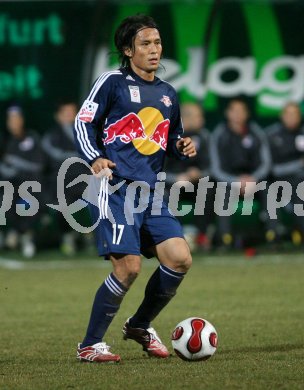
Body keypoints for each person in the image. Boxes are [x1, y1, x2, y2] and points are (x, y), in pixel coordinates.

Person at [73, 14, 197, 363]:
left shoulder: (167, 94)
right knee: (127, 267)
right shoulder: (112, 81)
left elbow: (168, 139)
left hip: (150, 192)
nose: (154, 49)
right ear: (128, 50)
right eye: (145, 43)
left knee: (179, 258)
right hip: (115, 188)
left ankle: (140, 324)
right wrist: (95, 157)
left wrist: (181, 146)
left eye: (157, 42)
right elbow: (84, 122)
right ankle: (90, 345)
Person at [210, 98, 271, 249]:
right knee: (222, 192)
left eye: (241, 111)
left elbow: (266, 163)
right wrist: (237, 181)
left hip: (255, 180)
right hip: (229, 181)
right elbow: (215, 168)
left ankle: (273, 237)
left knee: (270, 190)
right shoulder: (219, 134)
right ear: (227, 113)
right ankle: (225, 239)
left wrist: (253, 179)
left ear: (247, 114)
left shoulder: (256, 132)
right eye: (234, 111)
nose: (238, 115)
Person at [42, 101, 90, 255]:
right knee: (60, 204)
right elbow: (54, 156)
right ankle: (68, 236)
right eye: (66, 112)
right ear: (58, 116)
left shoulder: (87, 133)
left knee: (102, 201)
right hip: (62, 181)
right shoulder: (51, 136)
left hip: (85, 179)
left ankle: (91, 236)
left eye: (72, 112)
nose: (70, 115)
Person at [165, 102, 213, 250]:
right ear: (186, 118)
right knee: (164, 194)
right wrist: (176, 178)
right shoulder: (168, 136)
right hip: (172, 183)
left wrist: (199, 174)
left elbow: (212, 167)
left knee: (209, 189)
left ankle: (202, 237)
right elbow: (156, 170)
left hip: (197, 183)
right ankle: (175, 238)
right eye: (199, 117)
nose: (202, 120)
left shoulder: (205, 136)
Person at [0, 106, 45, 257]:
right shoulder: (4, 140)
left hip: (30, 185)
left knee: (30, 200)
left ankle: (25, 236)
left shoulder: (32, 138)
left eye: (17, 119)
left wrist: (16, 163)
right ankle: (11, 233)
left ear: (22, 120)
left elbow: (38, 165)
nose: (14, 123)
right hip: (7, 186)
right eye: (11, 120)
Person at [266, 102, 304, 245]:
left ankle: (299, 231)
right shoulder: (271, 134)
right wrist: (298, 164)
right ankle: (274, 236)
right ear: (282, 116)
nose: (292, 118)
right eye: (289, 114)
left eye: (295, 114)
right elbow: (270, 168)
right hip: (277, 182)